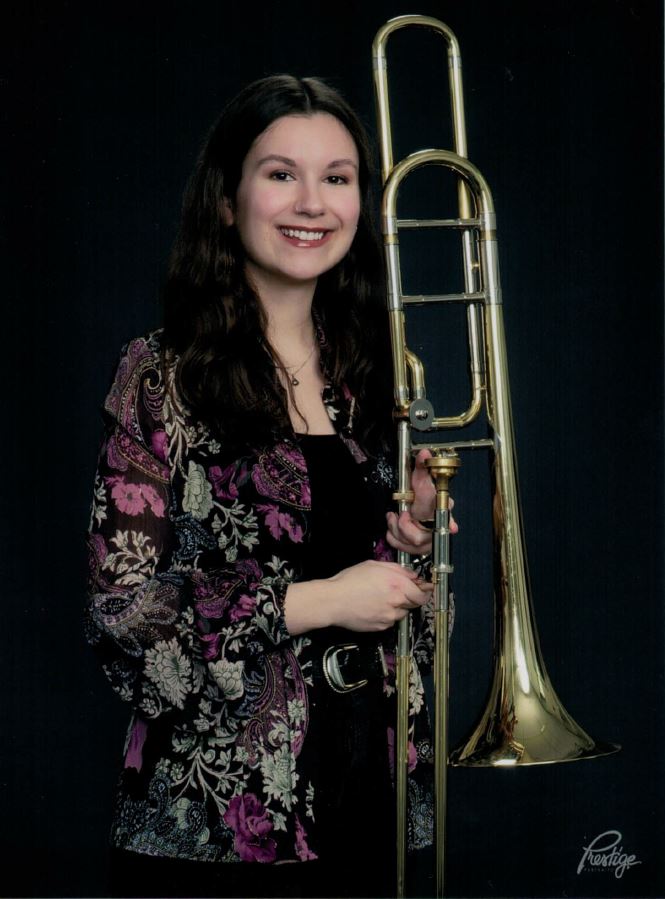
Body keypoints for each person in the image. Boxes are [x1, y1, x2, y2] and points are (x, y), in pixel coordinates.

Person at [85, 74, 454, 899]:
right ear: (226, 199)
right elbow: (120, 614)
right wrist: (318, 600)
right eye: (281, 173)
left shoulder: (384, 378)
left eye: (337, 177)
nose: (312, 203)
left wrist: (416, 539)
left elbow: (416, 630)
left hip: (377, 808)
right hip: (213, 830)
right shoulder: (161, 375)